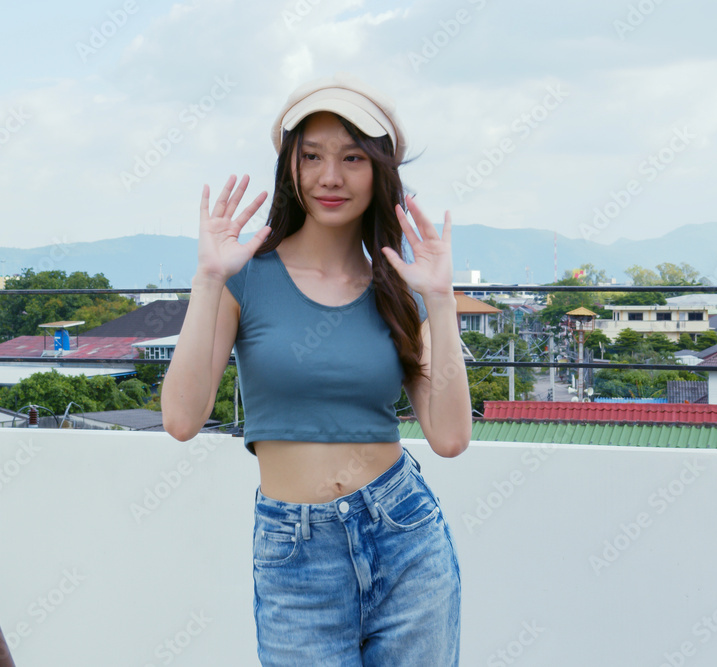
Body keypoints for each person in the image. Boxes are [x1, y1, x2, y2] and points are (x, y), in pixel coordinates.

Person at [161, 73, 472, 666]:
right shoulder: (244, 277)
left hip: (405, 535)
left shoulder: (401, 290)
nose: (331, 177)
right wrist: (207, 278)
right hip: (294, 553)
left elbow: (451, 436)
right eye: (313, 157)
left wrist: (439, 299)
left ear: (380, 170)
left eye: (353, 157)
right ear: (291, 170)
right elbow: (180, 418)